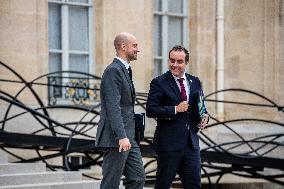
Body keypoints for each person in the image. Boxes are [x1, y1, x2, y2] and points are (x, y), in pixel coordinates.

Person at [146, 45, 209, 189]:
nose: (174, 65)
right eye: (172, 60)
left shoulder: (195, 81)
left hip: (191, 145)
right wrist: (175, 109)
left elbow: (201, 107)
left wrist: (205, 117)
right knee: (163, 185)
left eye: (179, 62)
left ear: (186, 62)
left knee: (194, 186)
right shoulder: (159, 82)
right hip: (168, 145)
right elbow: (151, 110)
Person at [95, 32, 145, 189]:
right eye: (135, 45)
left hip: (130, 136)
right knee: (111, 183)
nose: (138, 49)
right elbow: (112, 106)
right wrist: (121, 136)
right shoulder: (113, 71)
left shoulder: (125, 70)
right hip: (117, 137)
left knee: (138, 178)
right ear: (123, 46)